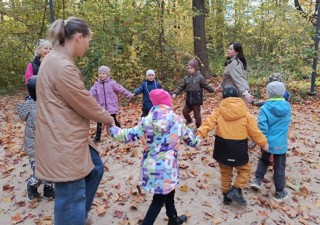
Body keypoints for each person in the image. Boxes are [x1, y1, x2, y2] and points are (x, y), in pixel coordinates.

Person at [35, 17, 115, 225]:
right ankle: (74, 217)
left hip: (64, 134)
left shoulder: (54, 58)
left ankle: (80, 214)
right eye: (88, 40)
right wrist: (108, 119)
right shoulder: (63, 66)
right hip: (63, 140)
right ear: (79, 38)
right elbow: (84, 101)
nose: (88, 45)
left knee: (95, 167)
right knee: (71, 196)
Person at [110, 89, 200, 225]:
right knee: (158, 200)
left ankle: (173, 218)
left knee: (169, 191)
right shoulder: (177, 120)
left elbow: (128, 135)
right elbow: (192, 141)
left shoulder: (147, 120)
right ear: (168, 104)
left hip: (151, 167)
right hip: (168, 168)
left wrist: (112, 129)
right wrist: (200, 138)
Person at [196, 86, 268, 206]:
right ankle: (236, 189)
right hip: (238, 147)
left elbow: (208, 123)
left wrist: (199, 135)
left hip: (222, 146)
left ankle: (226, 196)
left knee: (225, 173)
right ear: (238, 97)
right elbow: (255, 132)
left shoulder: (218, 111)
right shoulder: (245, 114)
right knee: (245, 170)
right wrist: (264, 144)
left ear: (223, 97)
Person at [250, 81, 291, 202]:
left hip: (267, 142)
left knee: (263, 160)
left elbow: (262, 126)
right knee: (279, 167)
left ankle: (257, 180)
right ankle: (279, 192)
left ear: (267, 94)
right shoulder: (287, 107)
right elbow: (287, 122)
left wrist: (262, 141)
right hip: (281, 143)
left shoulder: (265, 107)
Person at [17, 76, 55, 201]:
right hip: (36, 150)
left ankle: (48, 189)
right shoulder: (35, 111)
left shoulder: (42, 105)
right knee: (40, 173)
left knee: (50, 169)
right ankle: (31, 186)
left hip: (46, 147)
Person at [90, 65, 134, 142]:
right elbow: (91, 92)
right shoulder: (97, 84)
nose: (101, 75)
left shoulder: (112, 83)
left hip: (111, 106)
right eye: (100, 73)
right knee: (99, 121)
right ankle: (97, 137)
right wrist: (85, 96)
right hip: (101, 107)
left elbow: (121, 89)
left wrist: (128, 94)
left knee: (113, 120)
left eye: (103, 73)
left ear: (107, 74)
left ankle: (121, 134)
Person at [172, 59, 214, 129]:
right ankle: (189, 120)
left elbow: (205, 85)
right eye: (188, 68)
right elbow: (181, 86)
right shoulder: (186, 78)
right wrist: (175, 93)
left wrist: (213, 90)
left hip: (196, 100)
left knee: (196, 115)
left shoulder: (200, 77)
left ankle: (198, 126)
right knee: (184, 111)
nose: (189, 70)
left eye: (191, 68)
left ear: (195, 68)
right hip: (189, 100)